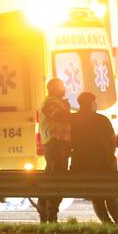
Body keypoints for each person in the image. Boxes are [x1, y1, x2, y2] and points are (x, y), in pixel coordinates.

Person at [69, 91, 118, 224]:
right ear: (91, 104)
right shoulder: (101, 119)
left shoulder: (72, 119)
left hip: (82, 164)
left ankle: (107, 223)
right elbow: (112, 140)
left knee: (96, 195)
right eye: (94, 102)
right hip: (103, 163)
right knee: (110, 194)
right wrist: (111, 156)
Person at [38, 78, 71, 222]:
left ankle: (47, 213)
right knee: (57, 180)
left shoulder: (57, 102)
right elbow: (61, 117)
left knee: (51, 179)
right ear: (53, 88)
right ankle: (49, 215)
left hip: (59, 145)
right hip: (55, 145)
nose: (64, 88)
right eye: (61, 86)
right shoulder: (50, 102)